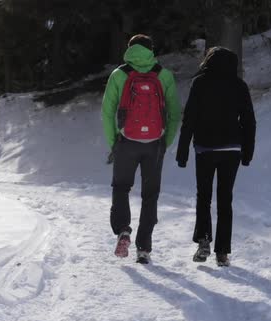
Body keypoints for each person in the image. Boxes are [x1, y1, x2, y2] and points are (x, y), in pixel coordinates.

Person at [102, 34, 181, 264]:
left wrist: (114, 143)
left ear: (130, 49)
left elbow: (107, 112)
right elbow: (175, 113)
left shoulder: (119, 74)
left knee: (121, 188)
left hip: (127, 142)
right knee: (150, 195)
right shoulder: (163, 74)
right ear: (151, 50)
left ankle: (123, 230)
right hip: (154, 143)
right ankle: (144, 248)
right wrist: (164, 142)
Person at [176, 47, 256, 267]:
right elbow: (249, 121)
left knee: (204, 196)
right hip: (231, 149)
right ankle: (222, 252)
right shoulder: (239, 86)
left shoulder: (200, 83)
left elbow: (189, 119)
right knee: (225, 199)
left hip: (205, 148)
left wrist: (182, 151)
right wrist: (248, 152)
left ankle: (203, 241)